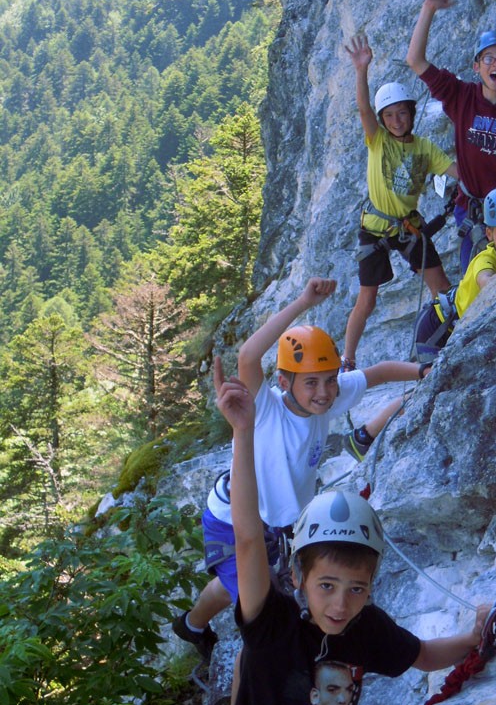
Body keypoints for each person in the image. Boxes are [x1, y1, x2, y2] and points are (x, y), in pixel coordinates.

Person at [205, 357, 489, 705]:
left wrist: (473, 639)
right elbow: (249, 539)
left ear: (372, 586)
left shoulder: (365, 629)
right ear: (296, 578)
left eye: (357, 588)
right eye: (327, 586)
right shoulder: (272, 623)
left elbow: (421, 655)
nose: (340, 604)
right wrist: (243, 433)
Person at [172, 277, 429, 680]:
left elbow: (376, 373)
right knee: (263, 618)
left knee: (230, 583)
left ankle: (190, 626)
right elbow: (248, 355)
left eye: (329, 379)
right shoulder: (267, 407)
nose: (324, 392)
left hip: (275, 523)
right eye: (311, 382)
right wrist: (303, 301)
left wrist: (424, 371)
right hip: (234, 519)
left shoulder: (328, 394)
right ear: (283, 382)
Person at [345, 186, 496, 459]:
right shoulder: (486, 259)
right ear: (489, 234)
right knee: (431, 388)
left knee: (435, 386)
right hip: (438, 329)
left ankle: (364, 436)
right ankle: (365, 436)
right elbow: (487, 281)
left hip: (448, 324)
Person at [342, 33, 459, 371]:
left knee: (441, 286)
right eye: (389, 116)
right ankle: (347, 360)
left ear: (411, 112)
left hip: (407, 224)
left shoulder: (424, 148)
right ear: (382, 121)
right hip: (376, 226)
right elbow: (364, 108)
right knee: (368, 299)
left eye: (402, 114)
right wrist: (361, 70)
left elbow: (455, 171)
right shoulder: (377, 141)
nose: (396, 121)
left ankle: (457, 331)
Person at [406, 0, 496, 272]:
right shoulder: (461, 96)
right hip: (472, 207)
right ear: (476, 67)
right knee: (473, 280)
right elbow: (415, 60)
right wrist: (428, 8)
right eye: (488, 58)